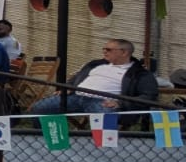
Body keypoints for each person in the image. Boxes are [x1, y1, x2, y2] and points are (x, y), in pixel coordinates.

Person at [28, 38, 158, 116]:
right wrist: (69, 88)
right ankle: (42, 138)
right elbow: (77, 77)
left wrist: (120, 102)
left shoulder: (139, 73)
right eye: (104, 49)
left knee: (106, 116)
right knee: (40, 107)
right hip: (76, 96)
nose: (104, 52)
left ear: (124, 52)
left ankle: (103, 149)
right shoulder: (95, 64)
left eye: (109, 50)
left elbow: (148, 96)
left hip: (103, 101)